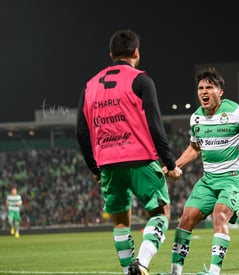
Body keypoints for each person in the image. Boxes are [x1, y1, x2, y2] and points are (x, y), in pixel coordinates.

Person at [76, 29, 182, 275]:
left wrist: (94, 167)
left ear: (111, 54)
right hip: (140, 159)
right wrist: (171, 163)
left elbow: (81, 132)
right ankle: (142, 263)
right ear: (136, 52)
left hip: (108, 163)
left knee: (121, 222)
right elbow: (156, 125)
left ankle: (129, 272)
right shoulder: (141, 80)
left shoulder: (89, 86)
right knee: (160, 212)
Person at [164, 67, 239, 275]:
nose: (204, 92)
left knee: (219, 214)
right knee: (186, 219)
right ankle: (174, 272)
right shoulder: (196, 118)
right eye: (200, 88)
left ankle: (213, 272)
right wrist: (175, 165)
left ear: (220, 91)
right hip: (208, 180)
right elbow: (194, 149)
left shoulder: (236, 113)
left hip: (234, 179)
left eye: (209, 87)